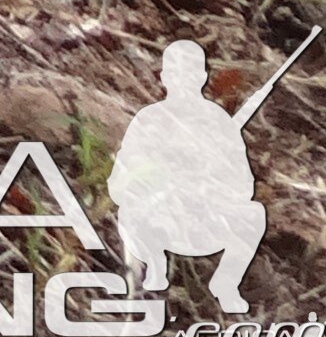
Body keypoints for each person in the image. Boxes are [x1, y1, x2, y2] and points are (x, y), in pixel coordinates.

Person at [111, 38, 266, 314]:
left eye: (191, 73)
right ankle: (149, 275)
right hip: (157, 216)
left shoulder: (219, 123)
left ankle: (226, 283)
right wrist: (161, 182)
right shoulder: (148, 119)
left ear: (203, 77)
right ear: (164, 77)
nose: (182, 80)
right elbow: (120, 180)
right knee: (132, 214)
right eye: (175, 73)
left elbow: (244, 185)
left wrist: (211, 183)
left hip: (203, 218)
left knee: (254, 214)